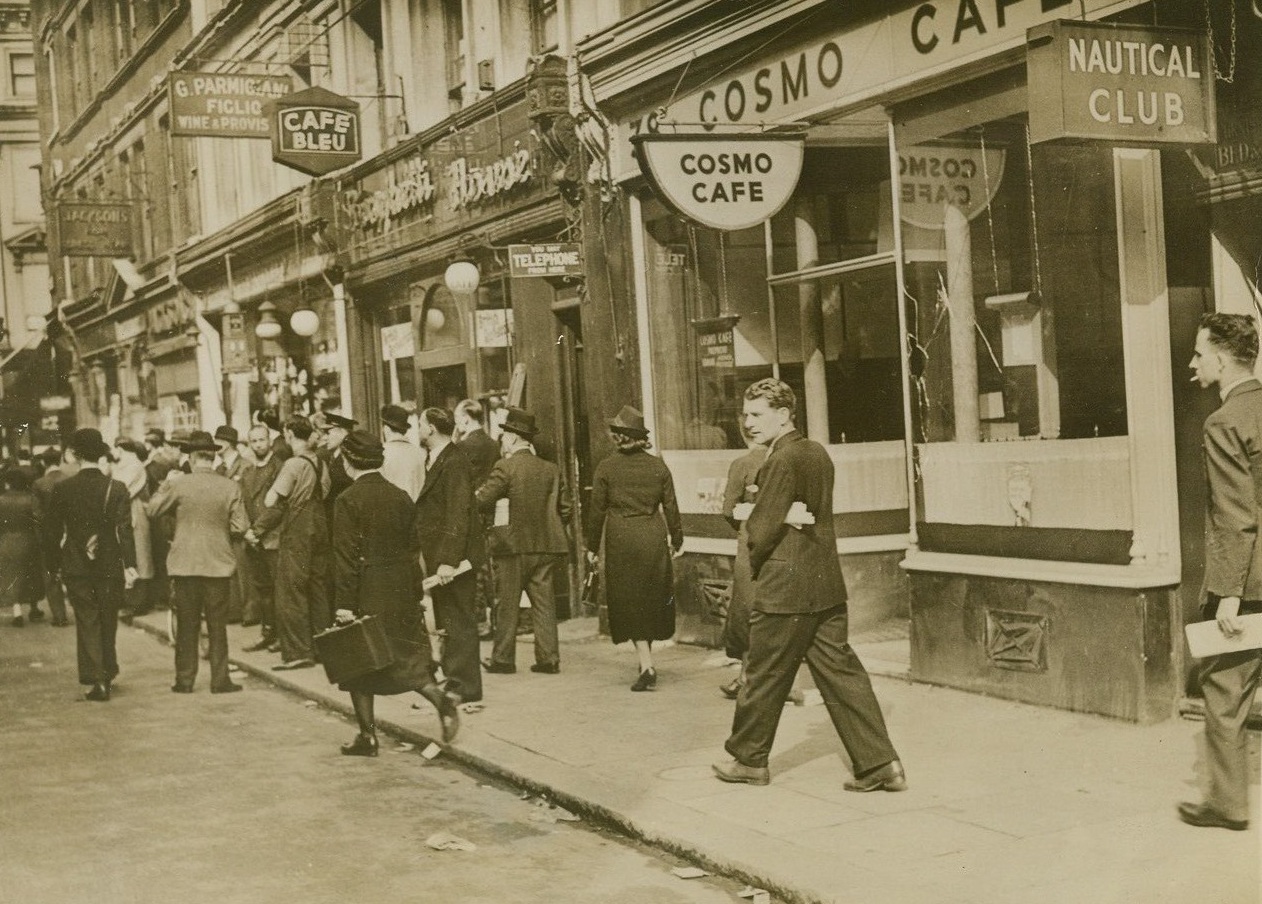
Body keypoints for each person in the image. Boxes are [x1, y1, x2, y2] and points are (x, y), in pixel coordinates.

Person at [712, 379, 904, 789]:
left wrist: (757, 546)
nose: (748, 422)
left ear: (783, 415)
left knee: (763, 675)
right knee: (842, 674)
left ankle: (748, 761)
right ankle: (881, 765)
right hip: (825, 584)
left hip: (785, 589)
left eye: (757, 414)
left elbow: (760, 530)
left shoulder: (780, 460)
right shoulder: (817, 453)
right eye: (746, 414)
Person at [1179, 312, 1262, 832]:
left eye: (1198, 353)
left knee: (1226, 692)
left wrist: (1228, 594)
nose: (1193, 363)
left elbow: (1235, 514)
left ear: (1222, 359)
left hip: (1249, 584)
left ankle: (1228, 805)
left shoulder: (1224, 422)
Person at [331, 430, 460, 756]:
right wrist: (416, 592)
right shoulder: (400, 497)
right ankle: (441, 700)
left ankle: (367, 737)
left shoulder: (347, 501)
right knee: (407, 659)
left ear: (348, 462)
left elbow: (345, 559)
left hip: (367, 589)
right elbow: (414, 549)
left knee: (358, 663)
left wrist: (344, 604)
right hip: (400, 588)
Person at [585, 406, 683, 691]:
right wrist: (677, 539)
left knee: (630, 600)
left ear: (619, 436)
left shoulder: (606, 467)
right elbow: (671, 507)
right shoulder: (658, 466)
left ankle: (647, 665)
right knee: (650, 598)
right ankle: (645, 659)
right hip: (652, 535)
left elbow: (596, 511)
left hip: (622, 538)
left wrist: (591, 546)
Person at [146, 431, 249, 694]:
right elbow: (240, 526)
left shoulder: (179, 484)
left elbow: (153, 509)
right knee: (217, 626)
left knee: (186, 625)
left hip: (185, 565)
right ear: (213, 458)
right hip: (218, 565)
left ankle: (185, 680)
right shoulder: (230, 486)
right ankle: (220, 680)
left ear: (191, 458)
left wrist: (166, 485)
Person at [43, 429, 138, 702]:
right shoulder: (116, 488)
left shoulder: (63, 489)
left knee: (87, 619)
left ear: (76, 455)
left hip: (76, 564)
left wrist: (53, 564)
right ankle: (108, 670)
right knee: (108, 618)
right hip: (109, 562)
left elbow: (51, 531)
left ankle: (98, 679)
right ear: (101, 454)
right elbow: (125, 530)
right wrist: (130, 564)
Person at [476, 408, 571, 675]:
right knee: (544, 603)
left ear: (514, 437)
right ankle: (549, 659)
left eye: (504, 435)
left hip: (512, 546)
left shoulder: (505, 467)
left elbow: (482, 500)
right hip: (546, 545)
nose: (503, 440)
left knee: (507, 603)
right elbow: (566, 509)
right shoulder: (551, 469)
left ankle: (503, 659)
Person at [416, 406, 486, 704]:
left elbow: (459, 513)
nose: (418, 429)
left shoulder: (453, 461)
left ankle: (465, 686)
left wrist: (449, 560)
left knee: (459, 619)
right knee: (451, 618)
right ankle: (455, 678)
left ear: (431, 428)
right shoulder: (439, 458)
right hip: (443, 554)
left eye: (420, 424)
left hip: (454, 558)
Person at [248, 417, 330, 671]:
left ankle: (298, 651)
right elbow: (325, 491)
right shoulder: (320, 462)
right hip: (320, 526)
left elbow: (272, 500)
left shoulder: (293, 464)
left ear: (290, 434)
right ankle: (323, 647)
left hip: (298, 528)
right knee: (318, 588)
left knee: (291, 590)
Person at [718, 436, 766, 699]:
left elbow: (729, 509)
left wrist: (745, 527)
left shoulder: (743, 464)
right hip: (786, 542)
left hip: (751, 544)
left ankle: (746, 677)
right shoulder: (788, 459)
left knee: (747, 608)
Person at [455, 398, 501, 639]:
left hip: (471, 512)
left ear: (465, 418)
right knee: (491, 566)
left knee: (474, 566)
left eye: (457, 419)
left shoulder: (462, 446)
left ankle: (480, 621)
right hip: (491, 511)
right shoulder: (493, 444)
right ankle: (497, 620)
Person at [239, 425, 284, 652]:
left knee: (279, 589)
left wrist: (256, 531)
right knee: (263, 589)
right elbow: (242, 504)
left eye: (262, 440)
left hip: (272, 537)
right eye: (254, 441)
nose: (258, 445)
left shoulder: (280, 468)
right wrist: (246, 531)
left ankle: (282, 636)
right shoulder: (247, 473)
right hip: (254, 540)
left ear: (270, 441)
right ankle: (267, 632)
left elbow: (279, 506)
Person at [113, 439, 155, 623]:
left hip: (134, 513)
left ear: (121, 449)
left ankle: (140, 602)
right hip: (124, 513)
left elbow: (121, 489)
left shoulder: (134, 466)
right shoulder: (124, 465)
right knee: (130, 555)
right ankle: (129, 599)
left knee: (140, 556)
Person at [31, 447, 74, 627]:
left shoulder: (39, 483)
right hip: (71, 533)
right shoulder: (70, 479)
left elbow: (36, 514)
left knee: (51, 575)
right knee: (73, 572)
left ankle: (60, 616)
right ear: (60, 460)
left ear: (43, 462)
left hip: (49, 535)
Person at [213, 426, 249, 624]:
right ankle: (234, 611)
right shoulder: (219, 469)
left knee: (244, 571)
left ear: (227, 443)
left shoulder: (245, 465)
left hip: (241, 526)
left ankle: (249, 612)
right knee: (230, 571)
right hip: (224, 526)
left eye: (217, 440)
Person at [1, 466, 42, 627]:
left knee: (11, 575)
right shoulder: (31, 499)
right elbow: (38, 520)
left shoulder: (1, 499)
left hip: (7, 541)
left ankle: (17, 612)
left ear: (8, 483)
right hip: (29, 540)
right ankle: (34, 608)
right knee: (32, 574)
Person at [380, 404, 426, 502]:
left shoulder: (381, 453)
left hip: (392, 509)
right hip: (418, 509)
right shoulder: (420, 453)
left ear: (386, 429)